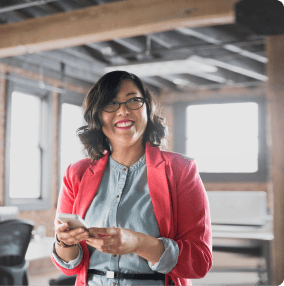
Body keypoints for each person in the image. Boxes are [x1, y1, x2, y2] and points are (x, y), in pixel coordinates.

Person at [51, 71, 212, 286]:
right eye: (111, 104)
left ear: (147, 108)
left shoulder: (181, 170)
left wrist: (138, 243)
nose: (123, 111)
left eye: (133, 100)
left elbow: (200, 260)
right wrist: (65, 242)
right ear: (97, 115)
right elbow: (68, 266)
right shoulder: (76, 174)